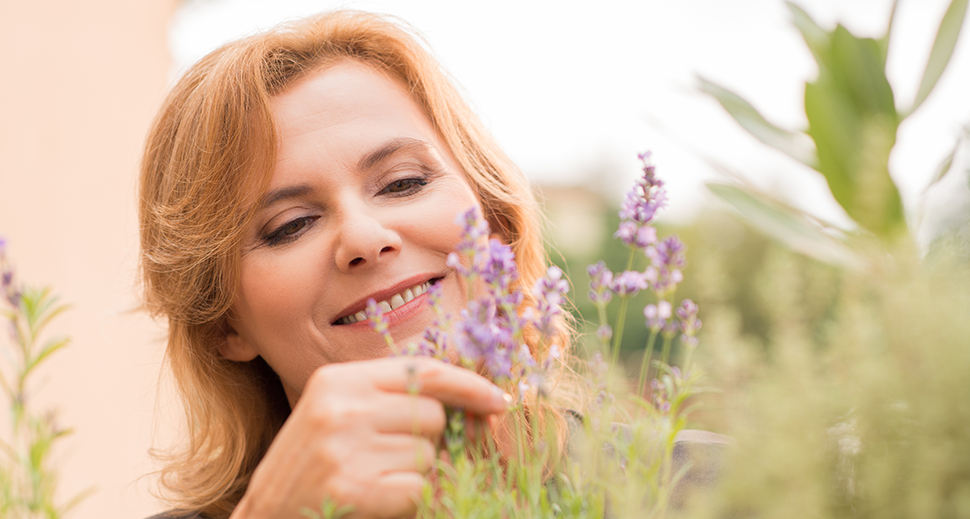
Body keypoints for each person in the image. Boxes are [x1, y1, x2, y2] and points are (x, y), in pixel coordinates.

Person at [139, 10, 578, 519]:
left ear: (495, 221)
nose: (365, 238)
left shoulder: (677, 489)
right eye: (291, 225)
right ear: (224, 324)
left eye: (404, 182)